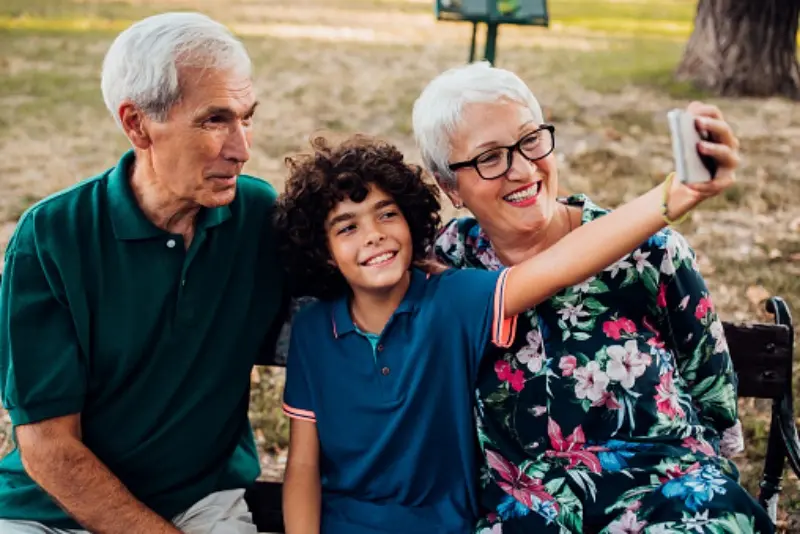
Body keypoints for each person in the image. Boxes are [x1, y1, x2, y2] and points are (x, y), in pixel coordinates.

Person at [274, 127, 735, 534]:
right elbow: (303, 465)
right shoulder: (316, 330)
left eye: (387, 213)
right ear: (324, 251)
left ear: (412, 222)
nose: (373, 234)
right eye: (347, 227)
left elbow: (560, 265)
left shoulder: (452, 301)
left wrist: (671, 198)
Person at [411, 61, 772, 533]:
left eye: (530, 140)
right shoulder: (447, 265)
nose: (521, 169)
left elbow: (713, 395)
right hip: (532, 515)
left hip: (673, 498)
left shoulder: (648, 251)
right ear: (450, 187)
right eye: (490, 157)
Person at [0, 12, 287, 534]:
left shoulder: (256, 215)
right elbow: (47, 446)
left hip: (203, 500)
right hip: (50, 511)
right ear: (136, 124)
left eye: (247, 117)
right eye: (214, 120)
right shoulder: (52, 236)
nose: (242, 149)